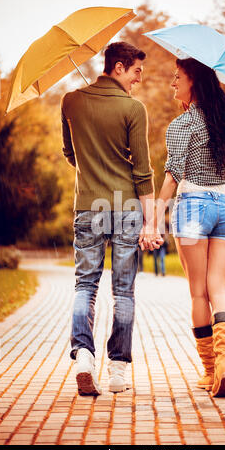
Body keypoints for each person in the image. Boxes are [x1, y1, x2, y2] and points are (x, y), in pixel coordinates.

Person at [61, 42, 162, 396]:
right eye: (136, 72)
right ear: (118, 67)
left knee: (84, 286)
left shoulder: (70, 101)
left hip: (89, 206)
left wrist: (93, 171)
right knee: (123, 291)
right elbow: (143, 172)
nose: (137, 81)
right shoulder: (133, 109)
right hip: (126, 207)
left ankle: (84, 357)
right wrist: (152, 223)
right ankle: (117, 368)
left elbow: (70, 153)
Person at [154, 57, 225, 397]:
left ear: (194, 82)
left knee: (198, 292)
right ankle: (224, 363)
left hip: (192, 206)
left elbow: (173, 173)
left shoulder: (180, 125)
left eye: (178, 78)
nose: (173, 84)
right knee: (218, 288)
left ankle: (209, 371)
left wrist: (154, 217)